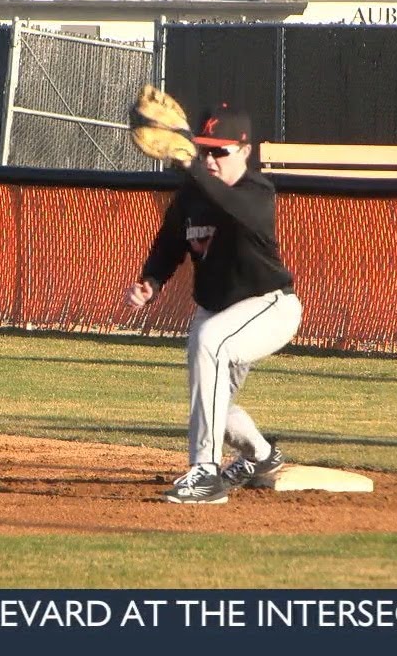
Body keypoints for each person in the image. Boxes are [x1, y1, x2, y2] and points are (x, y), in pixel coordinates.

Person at [123, 104, 303, 504]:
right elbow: (169, 245)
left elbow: (228, 204)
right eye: (204, 150)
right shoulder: (192, 194)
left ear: (245, 151)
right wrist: (150, 281)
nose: (209, 159)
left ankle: (205, 473)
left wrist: (192, 169)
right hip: (218, 312)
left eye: (220, 151)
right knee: (211, 407)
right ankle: (260, 455)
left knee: (208, 339)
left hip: (269, 307)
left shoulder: (257, 192)